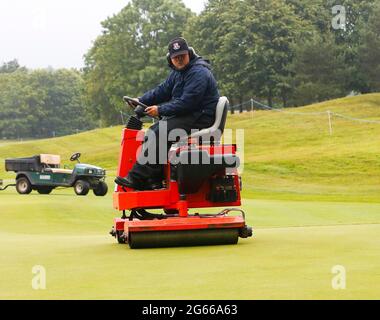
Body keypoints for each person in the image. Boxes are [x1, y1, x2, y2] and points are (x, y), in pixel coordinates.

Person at [115, 37, 220, 190]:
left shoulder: (199, 72)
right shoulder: (177, 73)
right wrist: (141, 99)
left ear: (189, 54)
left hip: (201, 116)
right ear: (170, 59)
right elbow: (162, 90)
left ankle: (136, 178)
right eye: (175, 57)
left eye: (182, 56)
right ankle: (154, 180)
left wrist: (160, 110)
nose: (179, 60)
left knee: (162, 132)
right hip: (191, 114)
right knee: (153, 131)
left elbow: (188, 102)